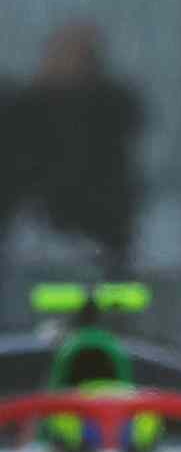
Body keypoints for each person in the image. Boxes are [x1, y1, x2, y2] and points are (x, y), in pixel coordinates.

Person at [11, 22, 144, 272]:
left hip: (103, 241)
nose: (67, 62)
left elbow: (113, 183)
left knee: (108, 303)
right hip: (37, 243)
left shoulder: (110, 110)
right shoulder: (25, 113)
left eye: (76, 54)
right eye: (61, 53)